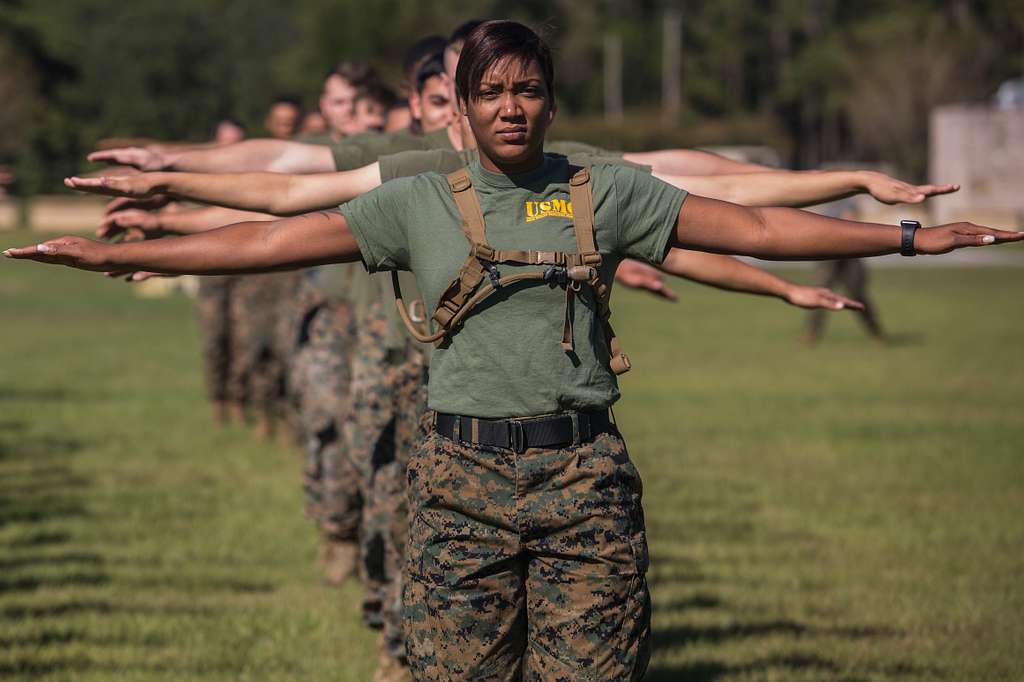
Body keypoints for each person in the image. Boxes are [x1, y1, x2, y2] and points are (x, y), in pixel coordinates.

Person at [10, 20, 1019, 680]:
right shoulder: (414, 195)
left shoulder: (598, 187)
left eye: (525, 88)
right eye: (487, 90)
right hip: (456, 478)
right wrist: (131, 252)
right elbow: (273, 232)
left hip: (583, 474)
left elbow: (742, 224)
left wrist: (907, 236)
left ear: (548, 97)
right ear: (458, 101)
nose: (507, 105)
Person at [804, 197, 887, 344]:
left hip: (849, 254)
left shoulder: (848, 202)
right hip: (827, 254)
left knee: (857, 294)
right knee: (820, 292)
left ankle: (876, 333)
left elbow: (851, 219)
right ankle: (811, 334)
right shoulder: (822, 201)